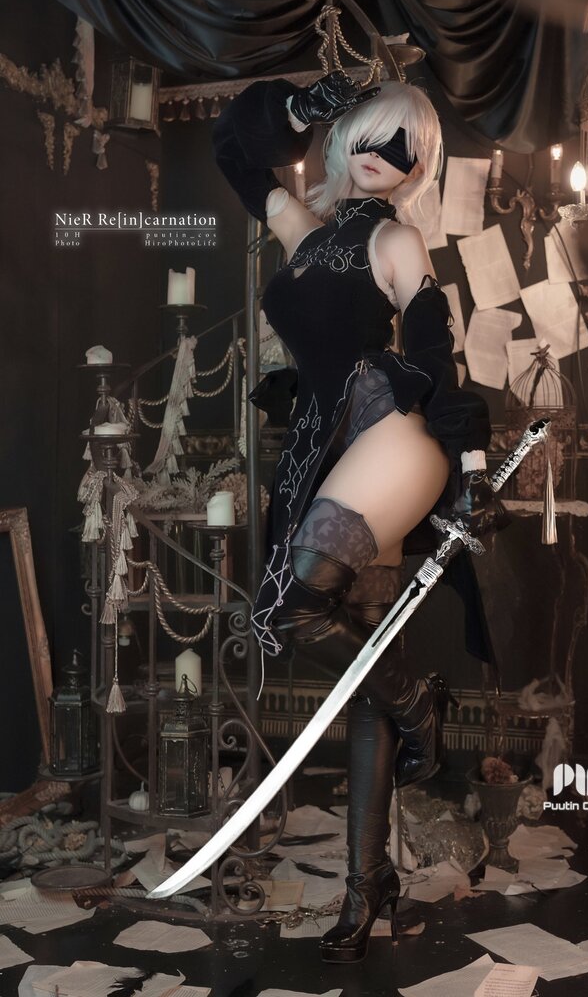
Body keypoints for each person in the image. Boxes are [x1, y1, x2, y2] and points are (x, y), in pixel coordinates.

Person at [212, 71, 508, 963]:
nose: (388, 157)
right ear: (345, 136)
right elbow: (230, 147)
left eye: (407, 151)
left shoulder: (396, 237)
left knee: (291, 608)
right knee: (358, 655)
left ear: (418, 170)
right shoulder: (299, 227)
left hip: (388, 431)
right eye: (374, 136)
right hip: (319, 444)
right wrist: (297, 108)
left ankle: (418, 701)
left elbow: (435, 346)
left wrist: (471, 464)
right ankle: (365, 882)